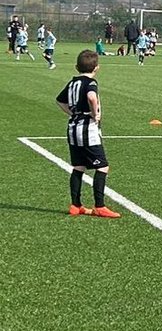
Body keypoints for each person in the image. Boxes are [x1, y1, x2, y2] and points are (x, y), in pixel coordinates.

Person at [56, 49, 120, 218]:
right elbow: (92, 97)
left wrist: (72, 113)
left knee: (79, 167)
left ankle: (75, 205)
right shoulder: (91, 83)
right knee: (103, 166)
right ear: (96, 68)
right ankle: (100, 206)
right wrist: (94, 113)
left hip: (72, 129)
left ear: (76, 66)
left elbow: (60, 100)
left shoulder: (72, 83)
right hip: (87, 130)